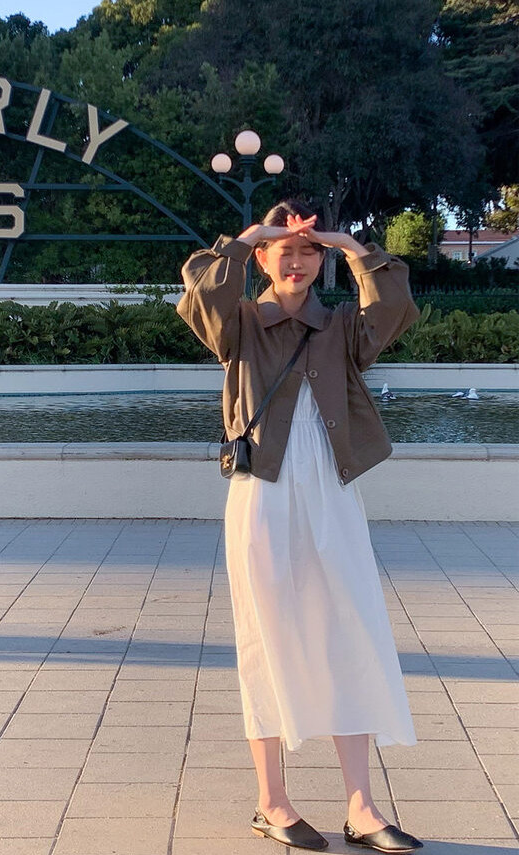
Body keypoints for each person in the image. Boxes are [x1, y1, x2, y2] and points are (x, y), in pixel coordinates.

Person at [176, 199, 424, 852]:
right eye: (284, 249)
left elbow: (394, 307)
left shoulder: (341, 326)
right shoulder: (237, 323)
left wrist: (350, 245)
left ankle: (361, 806)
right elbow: (200, 291)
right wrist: (250, 234)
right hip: (263, 492)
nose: (297, 260)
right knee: (266, 639)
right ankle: (272, 801)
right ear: (262, 257)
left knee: (351, 628)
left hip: (332, 493)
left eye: (308, 250)